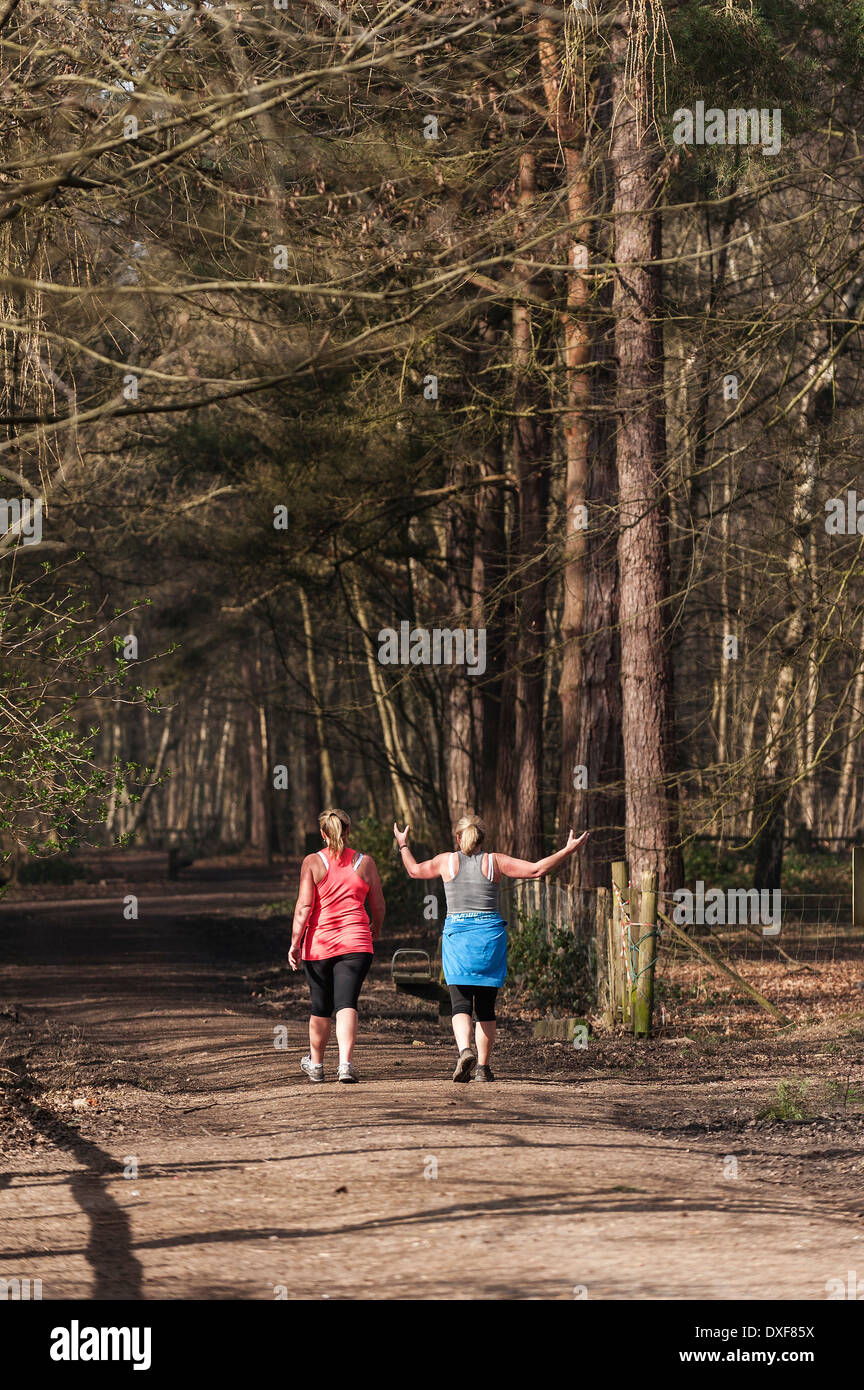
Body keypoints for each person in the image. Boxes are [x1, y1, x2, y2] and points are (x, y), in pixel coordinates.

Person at [393, 814, 588, 1082]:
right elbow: (537, 870)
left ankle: (464, 1051)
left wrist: (403, 845)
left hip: (458, 940)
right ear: (482, 838)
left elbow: (414, 870)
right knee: (485, 1006)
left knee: (460, 1003)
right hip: (489, 940)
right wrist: (568, 850)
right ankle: (483, 1069)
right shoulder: (494, 861)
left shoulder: (445, 861)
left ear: (459, 838)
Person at [288, 808, 384, 1084]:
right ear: (349, 831)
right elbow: (377, 903)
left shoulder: (312, 862)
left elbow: (304, 906)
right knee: (346, 1003)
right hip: (357, 944)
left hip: (319, 945)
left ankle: (316, 1065)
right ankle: (345, 1064)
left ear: (322, 833)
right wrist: (376, 926)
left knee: (320, 1006)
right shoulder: (365, 863)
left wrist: (295, 943)